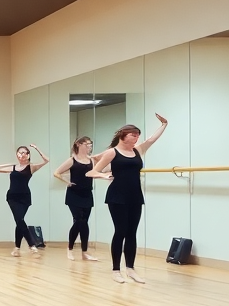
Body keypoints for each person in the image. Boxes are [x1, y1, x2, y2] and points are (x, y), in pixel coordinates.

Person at [88, 116, 168, 283]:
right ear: (123, 135)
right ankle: (116, 270)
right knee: (121, 231)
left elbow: (151, 139)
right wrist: (104, 175)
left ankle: (130, 269)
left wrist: (164, 124)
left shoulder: (138, 150)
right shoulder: (112, 152)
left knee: (132, 232)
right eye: (133, 135)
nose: (136, 138)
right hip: (117, 196)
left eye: (137, 135)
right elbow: (91, 172)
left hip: (135, 196)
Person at [0, 145, 49, 255]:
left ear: (28, 155)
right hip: (12, 197)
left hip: (25, 197)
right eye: (20, 152)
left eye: (24, 152)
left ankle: (17, 248)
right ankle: (31, 245)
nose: (22, 154)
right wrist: (10, 164)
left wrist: (37, 149)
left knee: (19, 221)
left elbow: (46, 160)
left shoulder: (31, 167)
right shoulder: (13, 168)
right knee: (20, 220)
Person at [53, 136, 102, 261]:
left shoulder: (92, 161)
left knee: (84, 222)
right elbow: (57, 172)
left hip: (87, 194)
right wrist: (66, 181)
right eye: (87, 144)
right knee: (78, 220)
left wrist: (105, 175)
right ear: (79, 145)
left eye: (91, 144)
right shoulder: (72, 160)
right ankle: (69, 249)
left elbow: (98, 171)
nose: (89, 147)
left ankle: (84, 252)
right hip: (74, 194)